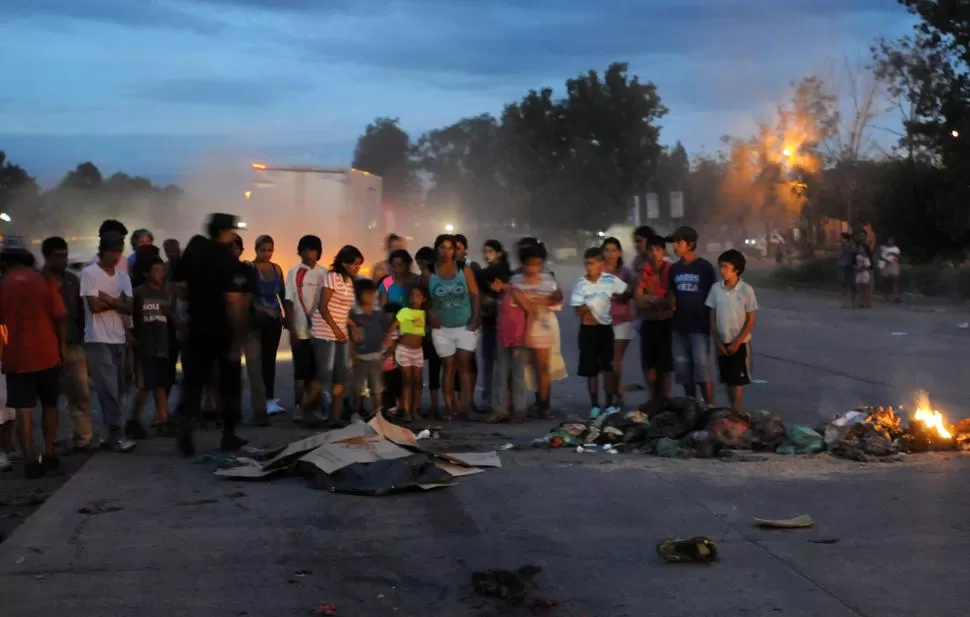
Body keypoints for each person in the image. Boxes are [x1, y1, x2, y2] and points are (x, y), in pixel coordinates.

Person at [172, 213, 252, 455]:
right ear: (224, 232)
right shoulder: (226, 259)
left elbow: (176, 286)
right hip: (220, 328)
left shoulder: (195, 248)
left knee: (193, 383)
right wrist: (236, 340)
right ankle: (228, 435)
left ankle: (185, 434)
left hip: (197, 325)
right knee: (229, 385)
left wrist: (192, 306)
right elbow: (234, 302)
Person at [0, 236, 67, 478]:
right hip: (47, 354)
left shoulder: (3, 284)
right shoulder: (43, 281)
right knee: (50, 404)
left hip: (16, 358)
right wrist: (61, 347)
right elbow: (60, 317)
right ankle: (48, 453)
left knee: (24, 409)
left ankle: (30, 459)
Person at [81, 232, 138, 451]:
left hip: (119, 338)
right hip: (97, 338)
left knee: (119, 388)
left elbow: (130, 307)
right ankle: (118, 433)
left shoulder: (123, 276)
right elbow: (94, 306)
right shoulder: (89, 273)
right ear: (102, 252)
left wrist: (109, 299)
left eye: (118, 252)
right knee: (108, 389)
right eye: (112, 252)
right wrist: (118, 303)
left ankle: (111, 434)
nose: (116, 257)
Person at [41, 236, 93, 450]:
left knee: (79, 393)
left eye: (65, 255)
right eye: (58, 256)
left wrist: (82, 341)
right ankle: (49, 442)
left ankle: (83, 436)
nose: (63, 260)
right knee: (48, 398)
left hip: (72, 345)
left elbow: (80, 313)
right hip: (45, 347)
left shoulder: (72, 280)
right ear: (47, 257)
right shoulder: (39, 281)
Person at [422, 234, 480, 419]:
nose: (447, 252)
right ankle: (449, 407)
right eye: (442, 247)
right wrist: (430, 314)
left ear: (455, 251)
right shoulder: (428, 273)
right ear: (436, 249)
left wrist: (475, 319)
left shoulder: (464, 270)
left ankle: (467, 405)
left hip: (465, 325)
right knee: (448, 367)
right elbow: (422, 299)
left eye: (450, 248)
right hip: (442, 327)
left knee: (465, 366)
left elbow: (474, 295)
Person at [570, 247, 628, 418]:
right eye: (587, 263)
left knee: (608, 366)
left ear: (601, 264)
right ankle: (594, 404)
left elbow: (626, 291)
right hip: (588, 330)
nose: (589, 267)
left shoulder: (610, 280)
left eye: (592, 263)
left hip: (605, 328)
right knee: (591, 370)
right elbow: (578, 310)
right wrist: (591, 305)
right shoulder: (580, 283)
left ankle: (609, 403)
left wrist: (616, 300)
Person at [508, 240, 562, 419]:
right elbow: (513, 304)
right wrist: (540, 302)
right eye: (530, 264)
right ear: (523, 263)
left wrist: (540, 302)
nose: (534, 268)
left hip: (544, 326)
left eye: (538, 264)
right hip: (521, 327)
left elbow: (558, 302)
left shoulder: (549, 280)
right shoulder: (515, 280)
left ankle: (544, 404)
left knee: (543, 366)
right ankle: (518, 405)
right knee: (521, 367)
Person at [666, 226, 717, 404]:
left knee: (702, 369)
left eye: (679, 243)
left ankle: (709, 407)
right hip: (679, 326)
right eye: (674, 243)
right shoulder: (674, 269)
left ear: (691, 244)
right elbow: (672, 291)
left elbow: (713, 296)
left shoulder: (705, 268)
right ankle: (692, 406)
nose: (675, 246)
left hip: (699, 326)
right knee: (683, 369)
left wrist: (712, 323)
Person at [314, 245, 363, 427]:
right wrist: (336, 329)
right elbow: (323, 306)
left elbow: (342, 310)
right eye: (354, 264)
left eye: (359, 264)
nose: (357, 267)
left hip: (341, 332)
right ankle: (306, 407)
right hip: (324, 331)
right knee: (323, 373)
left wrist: (352, 325)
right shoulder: (331, 277)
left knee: (340, 375)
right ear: (344, 263)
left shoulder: (349, 281)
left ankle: (334, 416)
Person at [706, 249, 758, 411]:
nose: (722, 271)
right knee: (727, 378)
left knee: (738, 380)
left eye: (725, 267)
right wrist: (717, 341)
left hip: (740, 342)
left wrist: (737, 342)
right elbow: (712, 317)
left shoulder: (746, 290)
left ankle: (737, 409)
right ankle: (732, 408)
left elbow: (750, 320)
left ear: (736, 269)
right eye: (720, 267)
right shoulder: (715, 289)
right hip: (722, 341)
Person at [284, 235, 325, 424]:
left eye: (313, 249)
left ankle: (313, 406)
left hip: (320, 331)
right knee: (301, 372)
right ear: (299, 252)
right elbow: (289, 302)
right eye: (306, 249)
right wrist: (291, 329)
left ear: (319, 252)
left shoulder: (325, 274)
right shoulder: (293, 273)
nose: (309, 253)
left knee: (317, 371)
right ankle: (298, 407)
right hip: (300, 331)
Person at [131, 257, 174, 435]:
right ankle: (132, 418)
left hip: (162, 344)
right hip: (145, 344)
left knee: (161, 384)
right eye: (155, 270)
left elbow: (170, 316)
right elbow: (131, 317)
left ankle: (162, 420)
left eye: (161, 270)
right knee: (146, 385)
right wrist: (131, 338)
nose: (159, 274)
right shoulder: (139, 293)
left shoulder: (165, 294)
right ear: (147, 273)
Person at [247, 235, 285, 418]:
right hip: (258, 319)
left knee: (270, 359)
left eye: (269, 250)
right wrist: (263, 309)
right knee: (259, 361)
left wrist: (285, 316)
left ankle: (270, 398)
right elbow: (247, 297)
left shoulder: (277, 269)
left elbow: (282, 295)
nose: (266, 254)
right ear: (256, 249)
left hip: (274, 319)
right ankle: (261, 400)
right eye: (263, 250)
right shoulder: (250, 269)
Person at [634, 235, 674, 401]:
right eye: (651, 250)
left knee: (665, 366)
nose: (655, 253)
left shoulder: (671, 270)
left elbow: (672, 302)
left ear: (663, 251)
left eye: (658, 249)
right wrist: (659, 301)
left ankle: (664, 399)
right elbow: (639, 301)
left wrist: (650, 299)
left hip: (667, 323)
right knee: (648, 365)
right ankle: (653, 399)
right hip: (648, 322)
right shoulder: (643, 272)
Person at [486, 272, 528, 424]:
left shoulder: (514, 292)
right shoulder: (502, 295)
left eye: (492, 285)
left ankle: (519, 410)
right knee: (501, 376)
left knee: (517, 376)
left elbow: (526, 312)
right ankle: (500, 410)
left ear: (497, 280)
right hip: (503, 340)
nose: (492, 288)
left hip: (516, 341)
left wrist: (520, 339)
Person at [387, 285, 429, 422]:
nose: (414, 298)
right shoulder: (404, 311)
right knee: (407, 380)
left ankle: (415, 409)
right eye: (411, 295)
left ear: (424, 299)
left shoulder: (424, 313)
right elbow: (393, 327)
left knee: (418, 381)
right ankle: (406, 410)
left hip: (418, 351)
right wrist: (391, 346)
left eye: (417, 296)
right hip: (404, 350)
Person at [602, 237, 635, 407]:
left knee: (615, 360)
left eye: (613, 250)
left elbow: (633, 291)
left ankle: (615, 396)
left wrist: (623, 295)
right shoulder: (597, 270)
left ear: (619, 253)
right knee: (608, 361)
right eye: (607, 250)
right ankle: (612, 395)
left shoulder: (626, 272)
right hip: (602, 320)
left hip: (622, 319)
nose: (610, 254)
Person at [479, 240, 512, 411]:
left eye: (490, 251)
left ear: (498, 253)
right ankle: (494, 399)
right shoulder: (486, 273)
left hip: (503, 323)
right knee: (492, 362)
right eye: (485, 251)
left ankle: (498, 400)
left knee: (499, 363)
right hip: (491, 322)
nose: (487, 255)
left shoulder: (504, 273)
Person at [350, 279, 385, 419]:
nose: (370, 296)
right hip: (360, 357)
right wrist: (352, 353)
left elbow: (386, 330)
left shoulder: (378, 313)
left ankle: (379, 412)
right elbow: (349, 335)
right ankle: (358, 411)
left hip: (376, 356)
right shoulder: (354, 314)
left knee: (377, 387)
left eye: (372, 293)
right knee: (360, 387)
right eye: (367, 293)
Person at [414, 246, 442, 413]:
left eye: (422, 263)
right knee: (420, 366)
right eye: (418, 264)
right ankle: (422, 405)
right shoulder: (419, 280)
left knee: (434, 366)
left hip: (433, 326)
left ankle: (433, 405)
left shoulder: (435, 278)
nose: (420, 267)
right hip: (422, 325)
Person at [879, 236, 902, 303]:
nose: (890, 242)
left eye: (891, 240)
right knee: (885, 281)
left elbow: (899, 257)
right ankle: (886, 297)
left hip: (894, 265)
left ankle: (896, 296)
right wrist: (886, 260)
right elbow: (880, 256)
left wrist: (893, 254)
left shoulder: (896, 248)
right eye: (889, 240)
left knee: (895, 280)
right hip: (885, 265)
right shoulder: (882, 248)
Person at [838, 232, 856, 308]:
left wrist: (848, 246)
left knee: (851, 284)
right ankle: (844, 302)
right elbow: (840, 255)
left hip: (850, 266)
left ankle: (853, 302)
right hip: (842, 266)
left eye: (843, 238)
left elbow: (854, 253)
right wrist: (844, 247)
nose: (841, 239)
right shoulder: (842, 246)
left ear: (846, 239)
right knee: (843, 284)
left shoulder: (851, 246)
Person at [855, 240, 874, 309]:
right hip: (859, 273)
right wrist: (857, 268)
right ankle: (861, 302)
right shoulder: (857, 256)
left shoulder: (866, 257)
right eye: (859, 248)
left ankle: (868, 303)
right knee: (860, 289)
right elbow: (855, 264)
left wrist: (861, 268)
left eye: (861, 248)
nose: (860, 249)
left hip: (864, 273)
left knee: (866, 289)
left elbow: (867, 266)